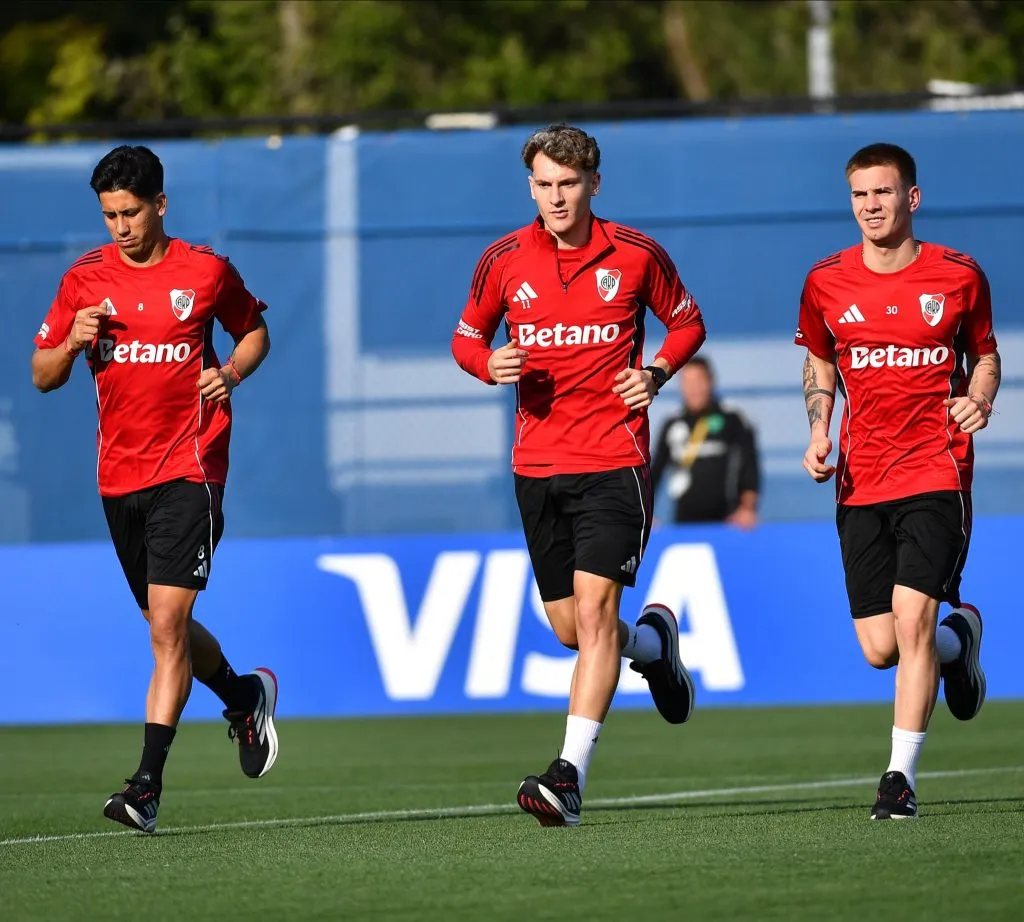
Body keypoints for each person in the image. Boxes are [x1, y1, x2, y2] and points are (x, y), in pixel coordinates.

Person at [451, 124, 706, 827]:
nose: (556, 197)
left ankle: (568, 776)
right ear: (529, 186)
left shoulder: (636, 254)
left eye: (568, 184)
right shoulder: (503, 260)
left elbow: (687, 324)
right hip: (537, 467)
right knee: (572, 630)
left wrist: (655, 372)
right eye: (543, 184)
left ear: (594, 183)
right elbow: (467, 335)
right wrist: (486, 364)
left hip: (614, 462)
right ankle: (654, 647)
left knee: (594, 619)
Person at [31, 145, 279, 834]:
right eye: (109, 214)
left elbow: (253, 330)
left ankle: (145, 786)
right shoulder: (84, 280)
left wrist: (229, 373)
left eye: (131, 212)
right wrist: (71, 344)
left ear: (160, 205)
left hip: (190, 468)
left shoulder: (204, 271)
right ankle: (242, 696)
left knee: (167, 625)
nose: (120, 226)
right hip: (119, 476)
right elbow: (41, 375)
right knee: (162, 624)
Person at [796, 142, 999, 820]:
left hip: (937, 470)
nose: (870, 206)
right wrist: (820, 427)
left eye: (883, 193)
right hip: (860, 480)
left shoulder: (959, 275)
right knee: (882, 646)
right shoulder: (826, 281)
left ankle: (899, 780)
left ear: (911, 198)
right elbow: (821, 367)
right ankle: (958, 642)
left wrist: (980, 398)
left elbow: (987, 357)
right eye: (859, 195)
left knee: (912, 617)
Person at [651, 355, 760, 528]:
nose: (693, 388)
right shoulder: (671, 423)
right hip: (683, 524)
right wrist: (645, 515)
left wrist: (747, 509)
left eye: (698, 381)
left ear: (711, 381)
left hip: (728, 523)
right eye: (687, 382)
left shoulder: (733, 418)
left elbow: (750, 467)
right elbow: (654, 472)